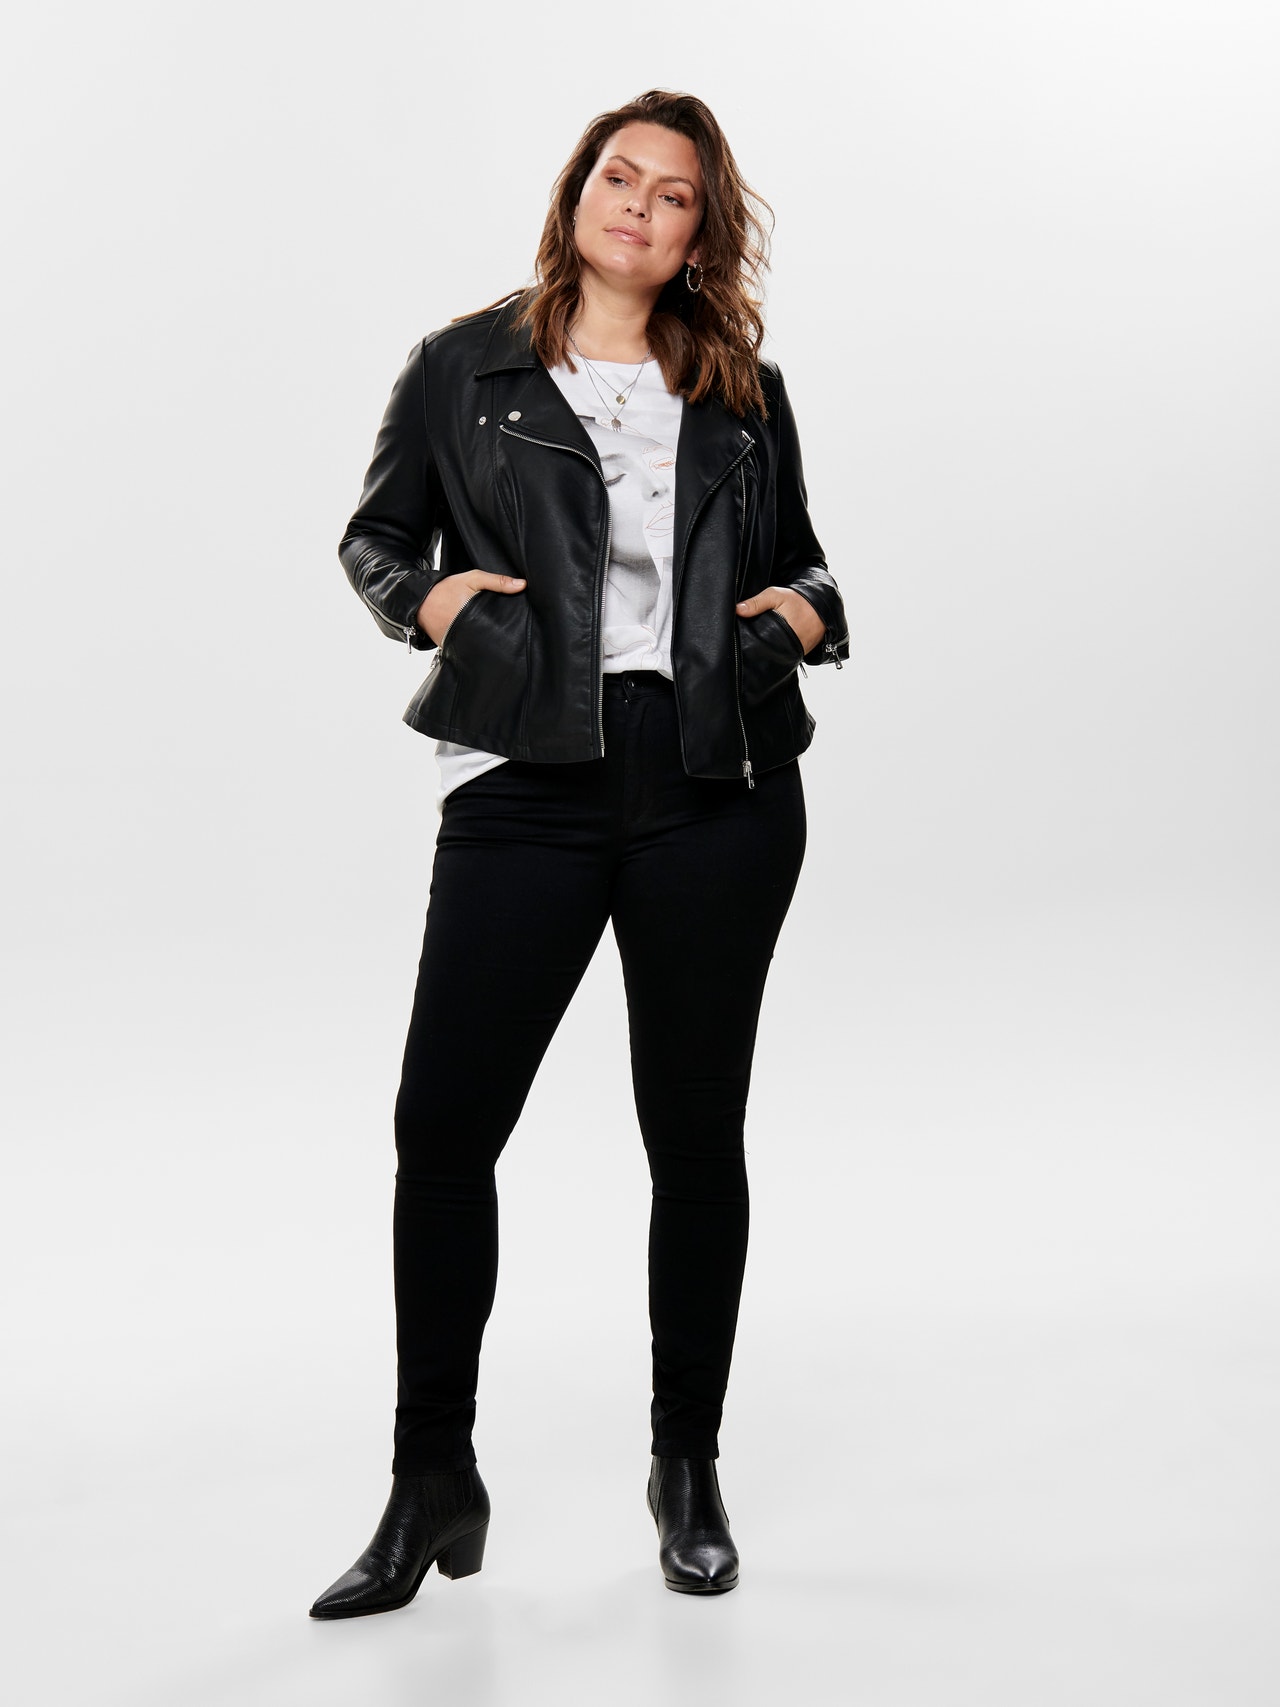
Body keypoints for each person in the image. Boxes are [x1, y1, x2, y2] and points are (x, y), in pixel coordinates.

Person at [309, 88, 849, 1619]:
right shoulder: (464, 366)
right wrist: (433, 603)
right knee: (443, 1131)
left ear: (698, 237)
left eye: (675, 196)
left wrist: (799, 616)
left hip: (715, 784)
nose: (639, 206)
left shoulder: (740, 388)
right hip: (526, 779)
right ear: (576, 192)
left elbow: (811, 566)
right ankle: (430, 1478)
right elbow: (375, 537)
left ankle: (686, 1467)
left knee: (695, 1135)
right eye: (620, 176)